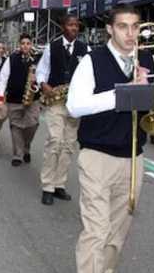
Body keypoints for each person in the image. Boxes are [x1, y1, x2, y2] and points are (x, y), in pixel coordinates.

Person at [66, 5, 154, 273]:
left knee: (117, 233)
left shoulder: (150, 61)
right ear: (109, 29)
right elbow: (75, 106)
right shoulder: (92, 60)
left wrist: (151, 89)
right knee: (96, 229)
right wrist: (124, 93)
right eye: (123, 26)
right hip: (97, 156)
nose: (131, 33)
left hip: (133, 157)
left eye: (136, 27)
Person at [35, 15, 90, 205]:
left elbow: (90, 73)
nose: (74, 28)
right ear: (62, 27)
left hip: (74, 103)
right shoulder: (52, 46)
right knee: (55, 141)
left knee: (69, 145)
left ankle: (60, 184)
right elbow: (41, 70)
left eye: (76, 25)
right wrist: (44, 85)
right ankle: (47, 186)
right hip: (56, 101)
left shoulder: (85, 49)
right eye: (70, 24)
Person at [0, 34, 40, 167]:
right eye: (23, 43)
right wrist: (0, 96)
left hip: (32, 99)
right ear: (19, 45)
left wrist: (36, 85)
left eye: (28, 43)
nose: (25, 46)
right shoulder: (12, 59)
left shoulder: (38, 59)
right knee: (15, 127)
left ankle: (26, 146)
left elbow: (44, 77)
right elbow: (3, 78)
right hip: (14, 100)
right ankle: (18, 155)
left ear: (31, 44)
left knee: (32, 125)